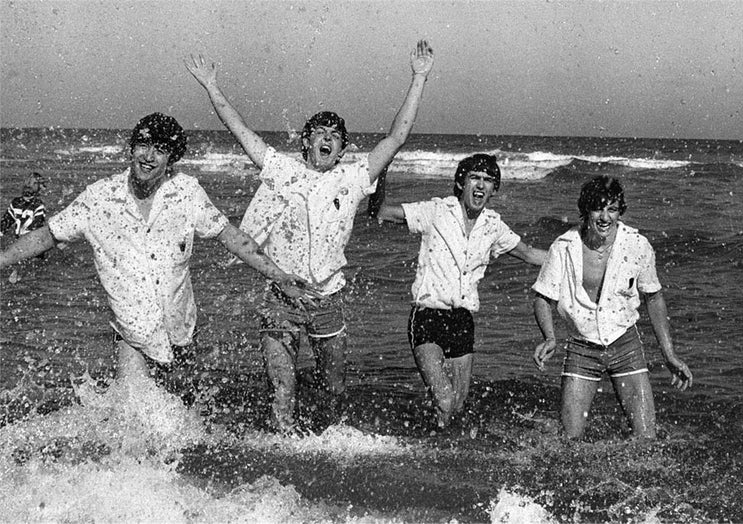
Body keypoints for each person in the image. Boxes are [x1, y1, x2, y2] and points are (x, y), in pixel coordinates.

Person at [185, 40, 435, 432]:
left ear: (342, 149)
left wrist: (419, 77)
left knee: (333, 388)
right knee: (281, 386)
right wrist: (211, 86)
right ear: (306, 141)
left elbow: (396, 138)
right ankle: (283, 450)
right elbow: (240, 131)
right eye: (318, 132)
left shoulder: (352, 178)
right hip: (282, 296)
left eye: (334, 135)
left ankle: (324, 446)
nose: (326, 138)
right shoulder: (282, 170)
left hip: (327, 297)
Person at [0, 113, 303, 406]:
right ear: (130, 149)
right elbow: (46, 235)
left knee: (183, 420)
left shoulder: (186, 192)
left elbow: (231, 236)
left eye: (160, 150)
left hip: (180, 330)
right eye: (143, 145)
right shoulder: (99, 198)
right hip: (131, 333)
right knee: (137, 421)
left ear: (171, 159)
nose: (148, 156)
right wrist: (3, 259)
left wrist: (278, 274)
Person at [375, 153, 547, 428]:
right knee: (444, 398)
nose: (480, 185)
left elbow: (527, 254)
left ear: (494, 189)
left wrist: (575, 259)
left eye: (488, 180)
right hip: (427, 316)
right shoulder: (436, 211)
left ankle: (432, 445)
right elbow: (382, 212)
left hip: (462, 321)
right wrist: (380, 173)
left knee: (456, 404)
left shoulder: (493, 225)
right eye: (474, 178)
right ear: (460, 182)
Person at [531, 175, 693, 439]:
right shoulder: (563, 247)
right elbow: (542, 297)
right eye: (598, 208)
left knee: (646, 439)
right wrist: (549, 337)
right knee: (569, 441)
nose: (605, 217)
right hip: (582, 347)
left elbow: (654, 297)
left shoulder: (636, 244)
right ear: (586, 210)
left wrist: (669, 354)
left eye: (612, 209)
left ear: (620, 212)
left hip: (625, 345)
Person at [0, 172, 47, 240]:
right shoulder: (17, 203)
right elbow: (3, 226)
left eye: (34, 183)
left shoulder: (37, 205)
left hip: (23, 243)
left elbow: (3, 227)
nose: (29, 184)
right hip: (23, 244)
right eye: (28, 181)